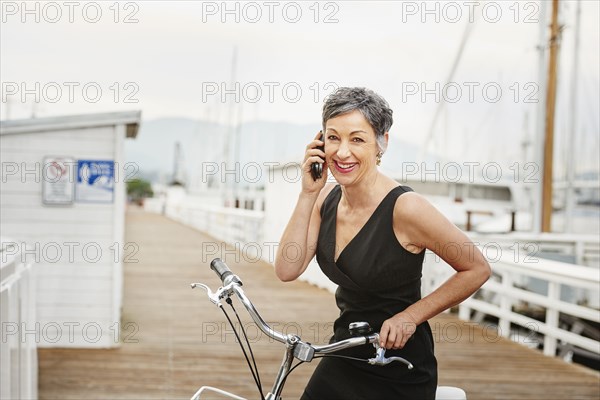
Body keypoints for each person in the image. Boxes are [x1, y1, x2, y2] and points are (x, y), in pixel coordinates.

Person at [274, 87, 491, 400]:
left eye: (357, 139)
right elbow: (286, 269)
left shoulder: (406, 208)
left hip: (397, 364)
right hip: (344, 354)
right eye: (333, 137)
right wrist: (307, 193)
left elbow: (476, 268)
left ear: (382, 143)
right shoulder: (325, 198)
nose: (342, 152)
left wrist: (411, 316)